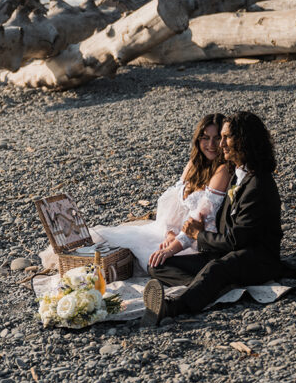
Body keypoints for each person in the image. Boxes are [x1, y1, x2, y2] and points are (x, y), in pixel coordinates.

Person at [143, 111, 296, 325]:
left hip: (256, 258)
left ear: (243, 140)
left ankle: (172, 307)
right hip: (226, 251)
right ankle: (214, 287)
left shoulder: (258, 184)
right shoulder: (237, 175)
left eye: (226, 138)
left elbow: (237, 240)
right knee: (158, 266)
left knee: (216, 269)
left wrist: (199, 234)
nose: (220, 144)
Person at [38, 114, 231, 275]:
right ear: (198, 139)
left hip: (196, 240)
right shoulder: (194, 164)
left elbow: (201, 217)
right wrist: (169, 232)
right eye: (206, 137)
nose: (211, 144)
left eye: (216, 138)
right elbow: (174, 205)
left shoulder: (222, 170)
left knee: (149, 259)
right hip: (174, 232)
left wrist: (175, 243)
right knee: (111, 240)